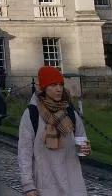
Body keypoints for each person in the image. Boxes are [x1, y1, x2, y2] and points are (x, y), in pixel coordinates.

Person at [18, 66, 90, 196]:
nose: (59, 89)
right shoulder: (32, 114)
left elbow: (81, 139)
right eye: (53, 85)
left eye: (61, 85)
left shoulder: (70, 112)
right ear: (44, 88)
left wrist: (84, 150)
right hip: (46, 185)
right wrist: (28, 185)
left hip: (73, 184)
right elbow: (24, 152)